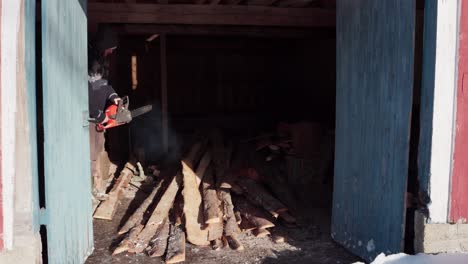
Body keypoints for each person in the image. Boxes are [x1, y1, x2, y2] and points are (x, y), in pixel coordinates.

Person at [88, 25, 120, 200]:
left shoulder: (102, 63)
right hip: (90, 116)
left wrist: (114, 96)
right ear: (103, 45)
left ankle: (95, 188)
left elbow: (103, 86)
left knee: (98, 151)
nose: (110, 53)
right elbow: (84, 90)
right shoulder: (88, 61)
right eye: (109, 49)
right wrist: (99, 114)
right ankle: (87, 190)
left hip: (99, 116)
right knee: (88, 154)